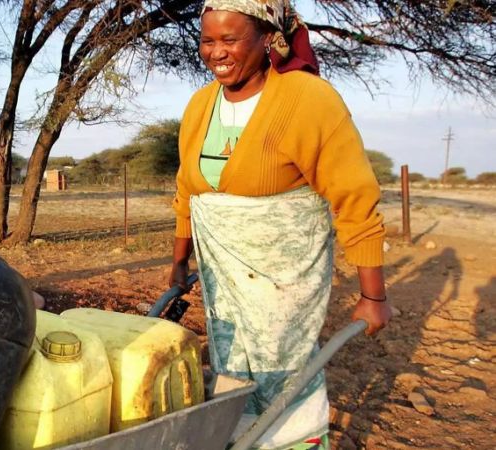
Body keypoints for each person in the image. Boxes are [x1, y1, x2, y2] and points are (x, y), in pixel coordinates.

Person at [168, 1, 392, 449]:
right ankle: (240, 437)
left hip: (285, 278)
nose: (216, 52)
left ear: (268, 38)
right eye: (207, 40)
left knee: (283, 364)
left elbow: (354, 198)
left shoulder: (308, 100)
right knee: (230, 357)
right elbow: (187, 193)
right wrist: (179, 262)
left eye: (230, 40)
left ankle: (293, 443)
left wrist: (373, 296)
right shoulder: (199, 105)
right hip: (223, 275)